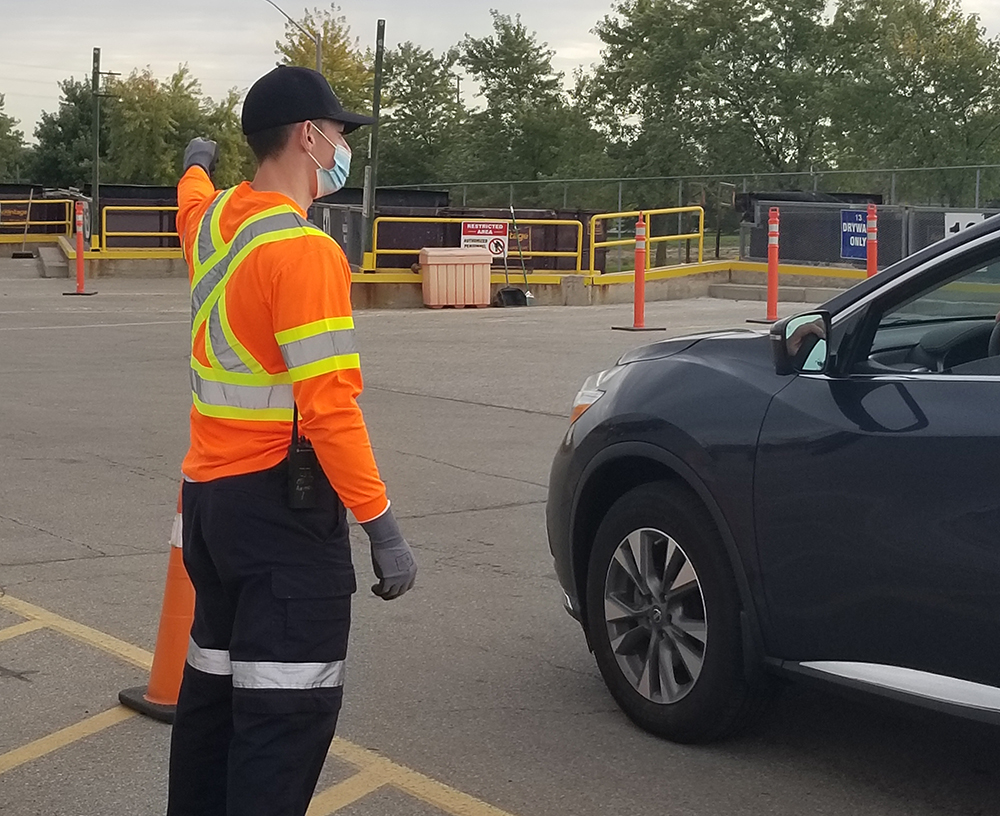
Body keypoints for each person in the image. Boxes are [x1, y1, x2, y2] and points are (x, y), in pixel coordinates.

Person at [166, 65, 417, 816]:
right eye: (341, 133)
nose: (345, 148)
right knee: (281, 724)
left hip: (208, 510)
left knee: (210, 703)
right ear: (309, 136)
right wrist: (382, 526)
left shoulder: (214, 226)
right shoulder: (305, 253)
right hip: (281, 522)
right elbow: (331, 408)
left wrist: (196, 166)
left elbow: (193, 200)